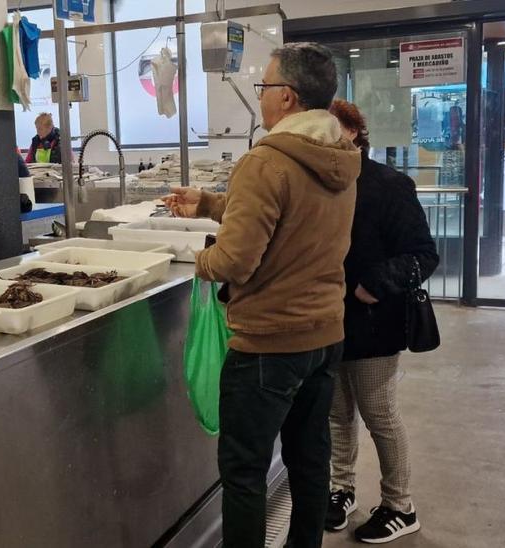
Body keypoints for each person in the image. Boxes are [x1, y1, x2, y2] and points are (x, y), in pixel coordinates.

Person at [165, 42, 361, 548]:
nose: (262, 97)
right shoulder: (339, 155)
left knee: (244, 472)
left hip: (268, 346)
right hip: (324, 337)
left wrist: (196, 258)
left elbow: (234, 262)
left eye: (266, 86)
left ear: (289, 97)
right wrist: (210, 202)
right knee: (309, 458)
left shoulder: (265, 160)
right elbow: (292, 213)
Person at [323, 99, 439, 544]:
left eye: (334, 130)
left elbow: (424, 253)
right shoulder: (320, 183)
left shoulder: (390, 185)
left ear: (354, 132)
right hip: (327, 319)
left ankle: (399, 505)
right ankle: (341, 489)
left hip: (374, 321)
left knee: (380, 415)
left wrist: (378, 281)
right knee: (336, 414)